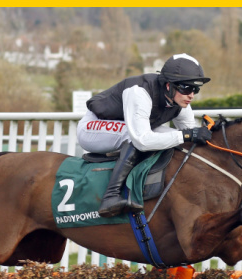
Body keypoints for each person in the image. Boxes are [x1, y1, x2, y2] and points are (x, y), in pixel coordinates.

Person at [78, 53, 212, 218]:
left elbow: (190, 134)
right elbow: (141, 141)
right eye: (186, 88)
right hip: (92, 128)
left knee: (174, 136)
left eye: (195, 89)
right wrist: (186, 135)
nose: (191, 95)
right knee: (136, 137)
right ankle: (110, 197)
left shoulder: (180, 102)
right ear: (168, 85)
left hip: (123, 126)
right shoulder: (139, 92)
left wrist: (204, 134)